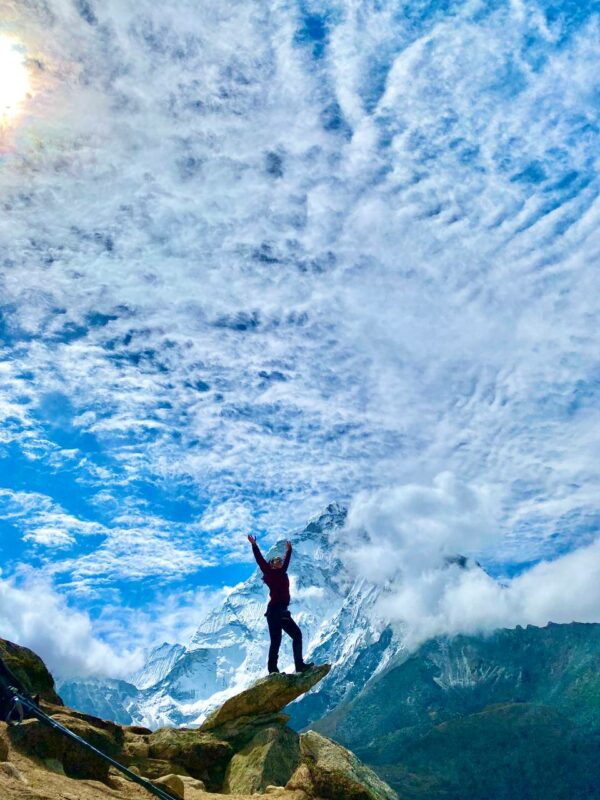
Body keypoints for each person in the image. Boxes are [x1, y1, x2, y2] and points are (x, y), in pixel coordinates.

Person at [248, 534, 314, 675]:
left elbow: (287, 561)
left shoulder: (283, 572)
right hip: (274, 611)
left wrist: (289, 550)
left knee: (296, 635)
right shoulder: (269, 573)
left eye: (280, 560)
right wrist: (254, 545)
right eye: (276, 560)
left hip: (282, 611)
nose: (279, 562)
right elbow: (259, 560)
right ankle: (273, 670)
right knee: (277, 641)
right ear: (271, 564)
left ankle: (299, 666)